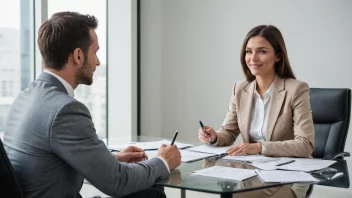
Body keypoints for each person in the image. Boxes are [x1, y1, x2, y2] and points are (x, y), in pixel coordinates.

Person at [4, 11, 181, 198]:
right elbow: (117, 182)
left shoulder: (24, 98)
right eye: (95, 52)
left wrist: (110, 160)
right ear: (78, 56)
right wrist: (162, 161)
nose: (98, 61)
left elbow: (48, 162)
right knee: (151, 193)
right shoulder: (65, 110)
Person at [198, 25, 314, 198]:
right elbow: (228, 132)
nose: (253, 58)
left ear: (278, 56)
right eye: (248, 51)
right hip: (251, 172)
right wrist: (214, 137)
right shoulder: (240, 89)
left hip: (289, 174)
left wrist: (259, 147)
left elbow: (305, 145)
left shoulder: (296, 89)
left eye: (262, 51)